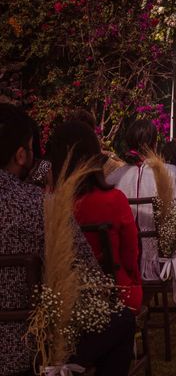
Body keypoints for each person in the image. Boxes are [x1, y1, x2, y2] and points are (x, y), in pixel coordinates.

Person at [0, 104, 134, 376]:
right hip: (30, 349)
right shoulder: (44, 207)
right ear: (21, 155)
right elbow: (91, 279)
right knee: (122, 321)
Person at [106, 119, 176, 327]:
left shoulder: (114, 177)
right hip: (160, 259)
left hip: (124, 257)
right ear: (155, 144)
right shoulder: (170, 172)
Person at [47, 121, 142, 313]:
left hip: (60, 303)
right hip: (115, 294)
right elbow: (130, 257)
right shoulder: (114, 200)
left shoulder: (47, 205)